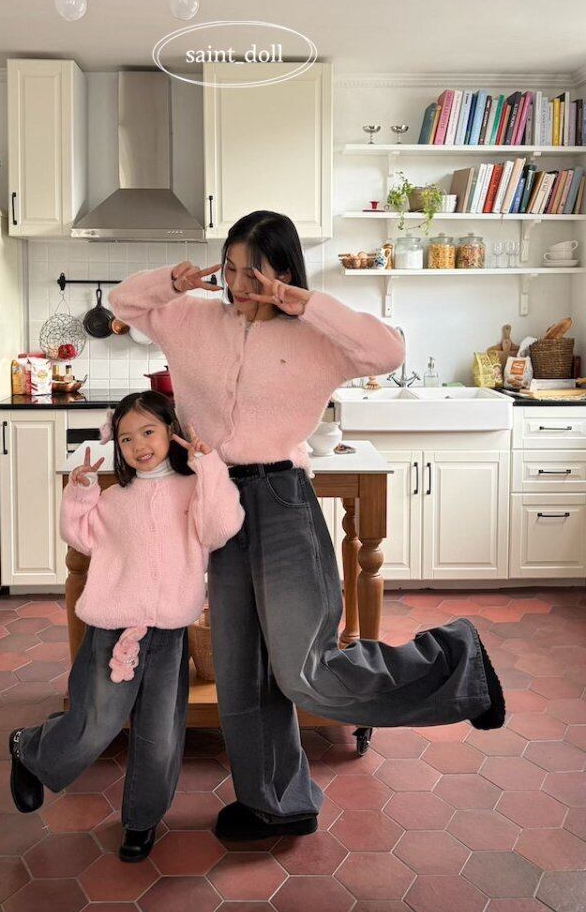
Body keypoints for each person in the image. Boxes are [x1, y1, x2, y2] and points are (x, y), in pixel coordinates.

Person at [109, 210, 505, 843]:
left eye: (254, 272)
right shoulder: (192, 320)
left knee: (305, 669)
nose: (238, 285)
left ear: (285, 272)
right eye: (230, 269)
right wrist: (174, 283)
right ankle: (275, 804)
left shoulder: (317, 339)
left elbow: (388, 350)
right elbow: (124, 303)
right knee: (241, 671)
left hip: (283, 501)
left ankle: (455, 660)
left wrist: (306, 303)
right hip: (216, 503)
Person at [8, 391, 245, 862]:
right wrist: (80, 493)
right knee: (95, 724)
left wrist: (210, 468)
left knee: (161, 736)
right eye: (126, 438)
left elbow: (221, 528)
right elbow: (80, 535)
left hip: (170, 634)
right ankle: (29, 750)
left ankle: (141, 820)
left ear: (171, 432)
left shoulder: (194, 492)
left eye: (148, 432)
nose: (139, 445)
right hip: (113, 631)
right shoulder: (114, 499)